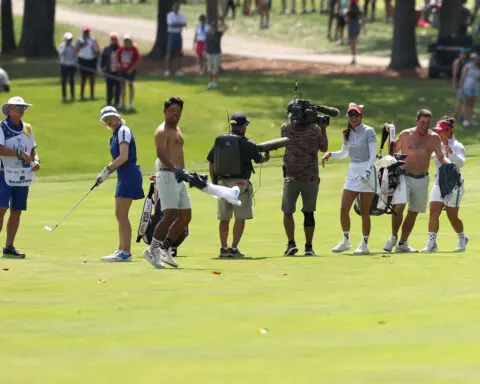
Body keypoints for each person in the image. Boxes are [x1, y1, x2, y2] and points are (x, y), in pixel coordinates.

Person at [383, 109, 450, 253]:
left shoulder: (434, 138)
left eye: (427, 123)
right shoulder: (406, 134)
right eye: (422, 122)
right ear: (417, 122)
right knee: (399, 206)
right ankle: (394, 237)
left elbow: (440, 156)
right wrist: (390, 136)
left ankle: (402, 243)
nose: (425, 126)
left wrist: (449, 164)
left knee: (413, 212)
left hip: (422, 179)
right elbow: (393, 152)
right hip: (404, 176)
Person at [207, 113, 269, 258]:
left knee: (224, 218)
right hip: (240, 183)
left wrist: (215, 182)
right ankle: (234, 248)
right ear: (243, 126)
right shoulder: (248, 143)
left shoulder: (220, 141)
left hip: (222, 183)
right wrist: (266, 156)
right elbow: (259, 159)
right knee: (240, 217)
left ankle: (224, 248)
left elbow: (211, 162)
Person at [322, 103, 378, 255]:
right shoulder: (346, 133)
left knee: (364, 211)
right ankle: (346, 240)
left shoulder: (369, 131)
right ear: (347, 117)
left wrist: (368, 170)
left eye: (356, 115)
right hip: (353, 171)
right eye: (351, 115)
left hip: (367, 170)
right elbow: (344, 153)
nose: (353, 118)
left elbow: (373, 154)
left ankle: (364, 244)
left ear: (361, 116)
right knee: (343, 208)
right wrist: (331, 154)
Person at [142, 97, 190, 269]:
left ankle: (165, 247)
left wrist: (183, 172)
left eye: (178, 112)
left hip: (179, 177)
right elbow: (161, 154)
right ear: (165, 111)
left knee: (185, 216)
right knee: (170, 214)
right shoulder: (161, 131)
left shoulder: (177, 130)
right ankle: (152, 250)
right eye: (172, 111)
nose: (175, 115)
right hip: (167, 175)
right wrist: (175, 168)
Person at [97, 106, 144, 262]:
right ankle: (121, 249)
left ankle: (126, 252)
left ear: (117, 117)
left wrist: (107, 169)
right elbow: (117, 159)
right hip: (124, 174)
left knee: (121, 214)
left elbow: (123, 157)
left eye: (110, 117)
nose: (109, 121)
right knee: (120, 214)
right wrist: (104, 174)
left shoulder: (123, 131)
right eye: (105, 119)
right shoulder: (114, 136)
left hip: (129, 173)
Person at [281, 102, 329, 256]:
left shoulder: (285, 129)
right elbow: (323, 147)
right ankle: (309, 247)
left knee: (288, 212)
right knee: (309, 212)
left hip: (291, 176)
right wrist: (322, 128)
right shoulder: (314, 130)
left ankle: (291, 244)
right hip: (310, 177)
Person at [421, 117, 469, 253]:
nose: (438, 133)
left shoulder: (457, 146)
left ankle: (462, 238)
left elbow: (460, 163)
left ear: (448, 132)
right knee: (434, 212)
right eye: (437, 131)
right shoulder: (436, 143)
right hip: (439, 182)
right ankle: (431, 243)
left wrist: (451, 153)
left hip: (454, 184)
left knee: (452, 215)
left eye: (440, 131)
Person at [0, 96, 40, 258]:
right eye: (17, 107)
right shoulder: (2, 127)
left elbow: (33, 149)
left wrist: (35, 160)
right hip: (3, 173)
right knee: (1, 210)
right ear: (9, 109)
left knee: (17, 210)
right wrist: (18, 153)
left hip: (22, 174)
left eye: (23, 107)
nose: (21, 110)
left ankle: (9, 246)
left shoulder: (27, 128)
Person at [117, 35, 141, 112]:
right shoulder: (121, 49)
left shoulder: (134, 49)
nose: (126, 43)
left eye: (128, 41)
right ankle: (122, 103)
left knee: (130, 86)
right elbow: (117, 57)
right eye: (125, 41)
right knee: (122, 86)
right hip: (122, 70)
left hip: (131, 71)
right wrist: (119, 65)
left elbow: (137, 60)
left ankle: (130, 104)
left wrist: (131, 69)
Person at [75, 26, 100, 101]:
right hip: (82, 60)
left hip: (91, 60)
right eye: (85, 32)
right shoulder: (79, 40)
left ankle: (92, 95)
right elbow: (76, 51)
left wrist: (94, 49)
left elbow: (97, 51)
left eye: (87, 32)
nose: (86, 34)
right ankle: (82, 95)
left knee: (92, 79)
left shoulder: (93, 40)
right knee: (83, 79)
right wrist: (81, 46)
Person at [165, 2, 187, 77]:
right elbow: (170, 24)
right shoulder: (169, 15)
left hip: (178, 34)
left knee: (178, 52)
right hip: (171, 34)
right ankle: (167, 70)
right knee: (169, 52)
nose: (177, 8)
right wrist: (179, 24)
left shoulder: (181, 16)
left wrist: (176, 24)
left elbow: (184, 24)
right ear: (173, 7)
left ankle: (178, 70)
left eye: (178, 7)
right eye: (175, 7)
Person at [100, 32, 121, 108]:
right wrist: (102, 67)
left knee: (118, 88)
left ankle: (117, 102)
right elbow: (103, 58)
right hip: (109, 71)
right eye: (112, 39)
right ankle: (109, 102)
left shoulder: (120, 48)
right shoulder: (107, 49)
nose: (113, 40)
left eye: (115, 39)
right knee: (109, 88)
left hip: (118, 71)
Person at [459, 52, 480, 127]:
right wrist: (461, 88)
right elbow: (462, 78)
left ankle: (471, 119)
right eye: (474, 59)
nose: (476, 60)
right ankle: (465, 119)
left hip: (475, 87)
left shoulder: (478, 68)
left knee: (472, 104)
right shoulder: (467, 66)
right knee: (467, 103)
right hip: (467, 87)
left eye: (477, 59)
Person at [206, 21, 227, 89]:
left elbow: (226, 28)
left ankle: (215, 82)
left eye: (215, 26)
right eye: (212, 26)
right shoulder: (208, 34)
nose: (213, 28)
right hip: (209, 52)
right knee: (209, 68)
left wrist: (222, 22)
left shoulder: (218, 34)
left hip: (216, 53)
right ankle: (210, 82)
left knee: (215, 69)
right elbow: (206, 43)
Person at [58, 32, 77, 103]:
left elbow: (75, 56)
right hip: (64, 65)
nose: (69, 41)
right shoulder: (62, 46)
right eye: (68, 39)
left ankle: (72, 96)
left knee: (71, 81)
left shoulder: (73, 46)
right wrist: (66, 47)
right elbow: (61, 53)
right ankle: (64, 96)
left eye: (70, 39)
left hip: (71, 65)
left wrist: (75, 64)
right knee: (64, 81)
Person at [452, 48, 468, 122]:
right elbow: (455, 74)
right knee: (460, 100)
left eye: (465, 54)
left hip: (465, 83)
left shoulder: (466, 62)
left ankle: (460, 115)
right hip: (458, 83)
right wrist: (457, 84)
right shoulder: (457, 62)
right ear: (460, 54)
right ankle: (457, 115)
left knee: (463, 100)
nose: (463, 55)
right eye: (462, 54)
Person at [346, 0, 364, 65]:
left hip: (352, 26)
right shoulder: (358, 8)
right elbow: (362, 17)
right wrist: (362, 26)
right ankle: (354, 58)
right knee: (353, 42)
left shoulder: (350, 9)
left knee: (352, 43)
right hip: (356, 25)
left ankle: (354, 58)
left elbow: (346, 18)